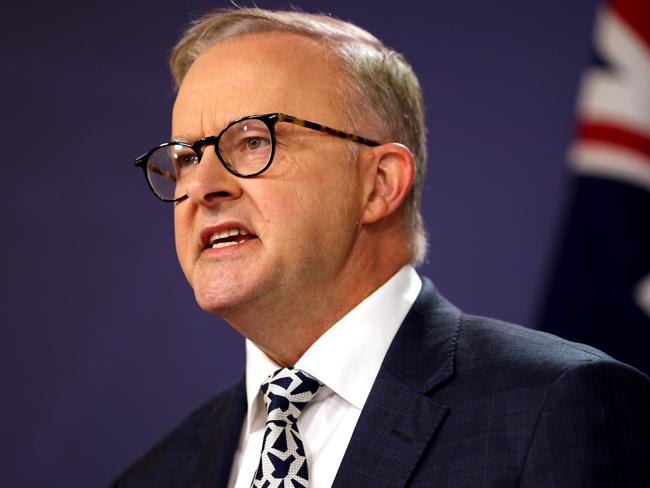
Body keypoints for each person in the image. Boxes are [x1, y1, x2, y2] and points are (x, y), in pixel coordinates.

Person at [115, 7, 650, 487]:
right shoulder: (157, 474)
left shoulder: (555, 408)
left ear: (380, 184)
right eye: (186, 157)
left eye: (254, 141)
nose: (203, 187)